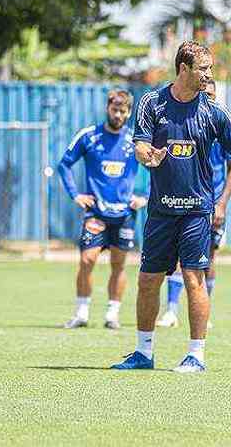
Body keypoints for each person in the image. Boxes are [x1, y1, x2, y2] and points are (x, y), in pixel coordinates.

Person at [111, 41, 231, 372]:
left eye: (210, 69)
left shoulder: (214, 112)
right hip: (160, 212)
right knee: (147, 280)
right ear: (184, 69)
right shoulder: (151, 103)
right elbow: (141, 147)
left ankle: (196, 355)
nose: (209, 75)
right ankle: (144, 353)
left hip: (196, 212)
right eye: (204, 69)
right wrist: (150, 157)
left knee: (193, 279)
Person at [57, 89, 147, 330]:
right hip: (95, 213)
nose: (118, 114)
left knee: (119, 265)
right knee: (87, 260)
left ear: (129, 113)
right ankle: (82, 312)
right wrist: (75, 195)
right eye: (114, 109)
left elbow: (153, 166)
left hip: (125, 215)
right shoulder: (89, 136)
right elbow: (64, 165)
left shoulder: (135, 141)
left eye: (123, 111)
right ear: (107, 108)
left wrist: (144, 196)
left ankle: (112, 314)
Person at [156, 79, 231, 328]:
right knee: (180, 257)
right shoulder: (185, 121)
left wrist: (222, 204)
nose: (208, 98)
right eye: (205, 93)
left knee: (209, 258)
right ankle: (171, 310)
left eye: (212, 94)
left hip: (212, 204)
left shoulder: (221, 124)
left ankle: (206, 310)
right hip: (185, 200)